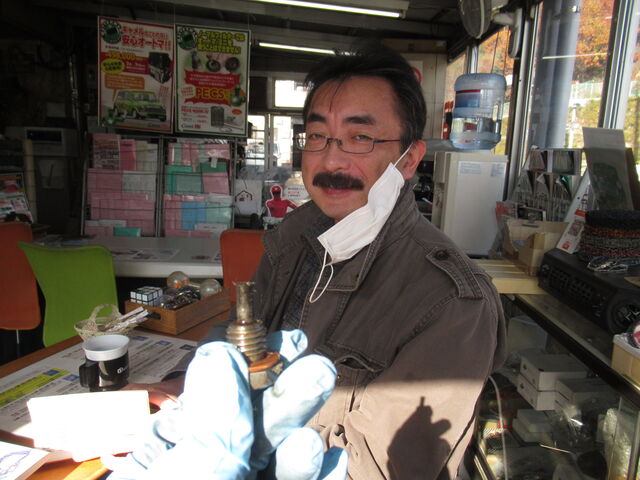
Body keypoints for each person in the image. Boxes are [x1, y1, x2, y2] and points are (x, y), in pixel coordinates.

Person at [129, 41, 507, 479]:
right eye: (316, 136)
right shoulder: (293, 240)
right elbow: (242, 345)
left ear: (410, 160)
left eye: (360, 137)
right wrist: (186, 390)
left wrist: (243, 448)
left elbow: (375, 467)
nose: (329, 159)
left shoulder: (454, 302)